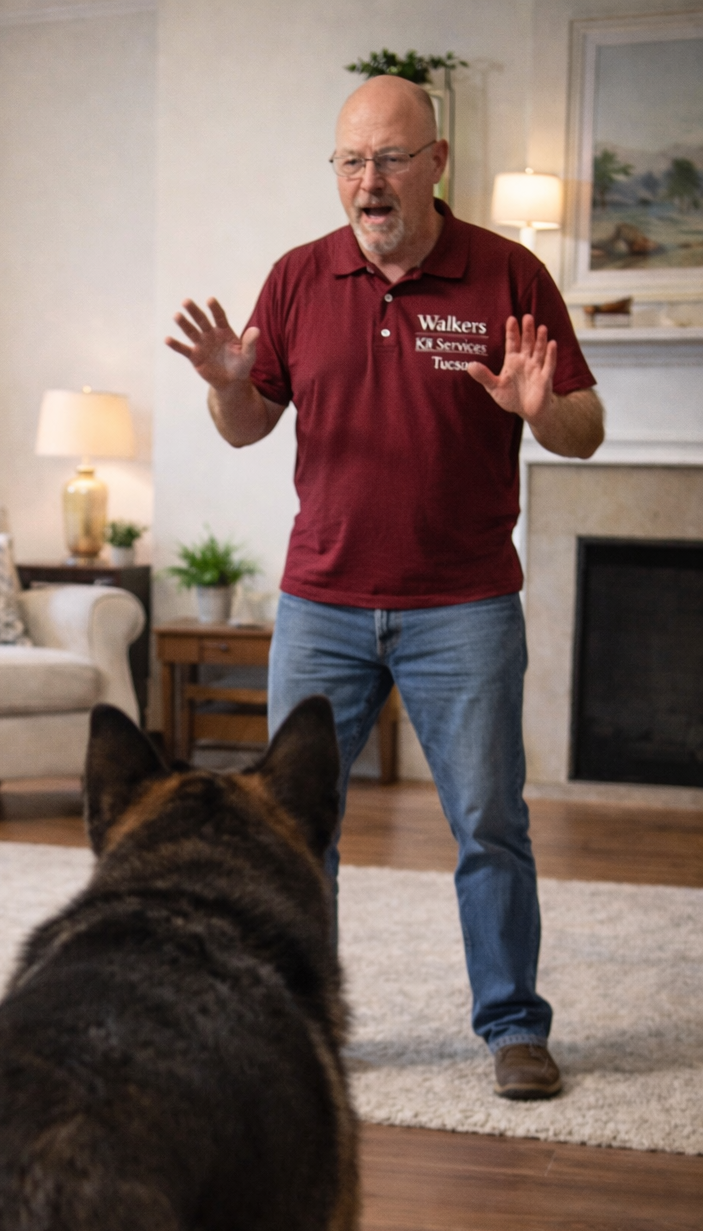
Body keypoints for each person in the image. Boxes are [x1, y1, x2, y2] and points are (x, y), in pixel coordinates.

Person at [165, 75, 604, 1101]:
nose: (370, 183)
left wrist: (540, 410)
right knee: (294, 823)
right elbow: (248, 426)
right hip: (320, 601)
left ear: (436, 165)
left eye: (391, 160)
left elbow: (584, 431)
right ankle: (303, 1022)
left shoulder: (509, 275)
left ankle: (511, 1028)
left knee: (489, 819)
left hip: (464, 606)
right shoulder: (295, 279)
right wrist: (231, 383)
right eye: (352, 163)